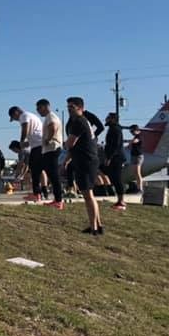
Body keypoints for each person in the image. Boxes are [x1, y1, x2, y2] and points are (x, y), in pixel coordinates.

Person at [64, 97, 103, 235]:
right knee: (89, 194)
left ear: (80, 108)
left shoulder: (79, 121)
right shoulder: (81, 121)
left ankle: (94, 228)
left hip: (86, 161)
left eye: (72, 107)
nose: (69, 110)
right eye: (68, 107)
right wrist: (67, 159)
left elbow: (70, 143)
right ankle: (97, 224)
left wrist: (63, 144)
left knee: (87, 195)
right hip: (85, 160)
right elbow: (74, 147)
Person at [8, 105, 45, 202]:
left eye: (14, 117)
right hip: (38, 143)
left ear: (16, 112)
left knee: (35, 170)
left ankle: (37, 194)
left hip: (37, 145)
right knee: (39, 169)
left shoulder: (24, 116)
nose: (16, 120)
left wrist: (21, 141)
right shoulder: (32, 115)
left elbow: (25, 128)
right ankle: (42, 191)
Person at [36, 99, 65, 210]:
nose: (38, 111)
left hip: (52, 148)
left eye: (39, 108)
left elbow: (53, 127)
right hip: (49, 149)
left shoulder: (51, 117)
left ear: (45, 106)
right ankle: (57, 199)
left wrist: (48, 139)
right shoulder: (50, 117)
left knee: (53, 175)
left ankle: (58, 200)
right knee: (51, 174)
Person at [103, 112, 126, 211]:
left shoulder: (116, 129)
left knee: (117, 179)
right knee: (113, 178)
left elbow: (115, 146)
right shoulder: (112, 129)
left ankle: (121, 201)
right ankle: (119, 200)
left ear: (113, 119)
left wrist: (109, 158)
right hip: (113, 157)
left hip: (116, 158)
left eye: (108, 118)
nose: (106, 119)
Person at [128, 125, 144, 193]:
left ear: (137, 130)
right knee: (135, 173)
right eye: (130, 131)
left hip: (138, 156)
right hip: (133, 155)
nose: (131, 132)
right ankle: (138, 188)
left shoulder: (139, 136)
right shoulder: (136, 136)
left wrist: (130, 143)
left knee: (138, 173)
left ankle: (140, 189)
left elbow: (135, 141)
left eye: (132, 131)